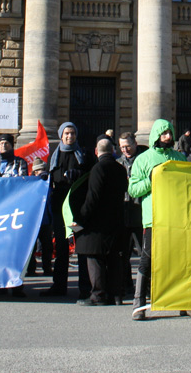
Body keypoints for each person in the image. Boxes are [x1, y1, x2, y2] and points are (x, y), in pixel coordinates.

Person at [128, 118, 185, 321]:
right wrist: (151, 179)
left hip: (177, 217)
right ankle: (139, 303)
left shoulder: (180, 158)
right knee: (147, 259)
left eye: (169, 132)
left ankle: (185, 301)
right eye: (164, 133)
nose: (168, 136)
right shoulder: (143, 159)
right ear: (156, 136)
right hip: (153, 218)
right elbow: (133, 189)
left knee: (182, 259)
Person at [41, 122, 96, 297]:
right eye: (66, 133)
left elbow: (92, 175)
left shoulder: (84, 155)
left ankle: (85, 287)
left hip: (76, 209)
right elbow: (52, 176)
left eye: (72, 133)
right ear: (61, 135)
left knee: (80, 246)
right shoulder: (54, 156)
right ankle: (59, 285)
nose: (70, 136)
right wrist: (44, 177)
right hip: (60, 209)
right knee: (61, 247)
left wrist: (79, 174)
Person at [72, 138, 127, 306]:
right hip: (116, 218)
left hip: (97, 222)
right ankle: (115, 295)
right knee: (114, 257)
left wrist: (81, 218)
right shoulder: (120, 169)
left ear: (96, 151)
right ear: (113, 151)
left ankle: (98, 295)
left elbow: (93, 198)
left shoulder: (98, 168)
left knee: (94, 258)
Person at [117, 132, 145, 292]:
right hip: (123, 213)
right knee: (122, 254)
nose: (125, 150)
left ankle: (145, 287)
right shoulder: (118, 163)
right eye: (122, 147)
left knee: (144, 254)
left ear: (135, 143)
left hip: (140, 214)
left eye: (127, 146)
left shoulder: (143, 161)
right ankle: (125, 285)